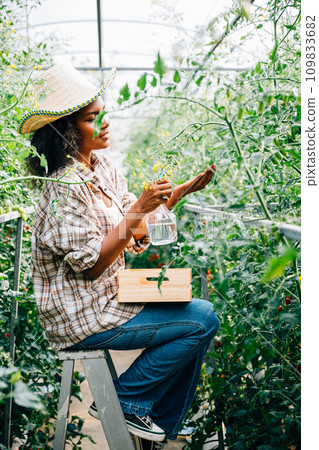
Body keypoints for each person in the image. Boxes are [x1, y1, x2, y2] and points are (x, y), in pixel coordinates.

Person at [20, 64, 220, 448]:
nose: (105, 123)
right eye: (93, 118)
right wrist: (138, 209)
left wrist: (172, 196)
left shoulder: (102, 168)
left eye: (103, 113)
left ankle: (151, 420)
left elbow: (133, 228)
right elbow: (93, 264)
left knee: (192, 302)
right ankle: (131, 401)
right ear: (66, 132)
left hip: (112, 295)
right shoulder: (62, 188)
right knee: (200, 320)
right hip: (83, 316)